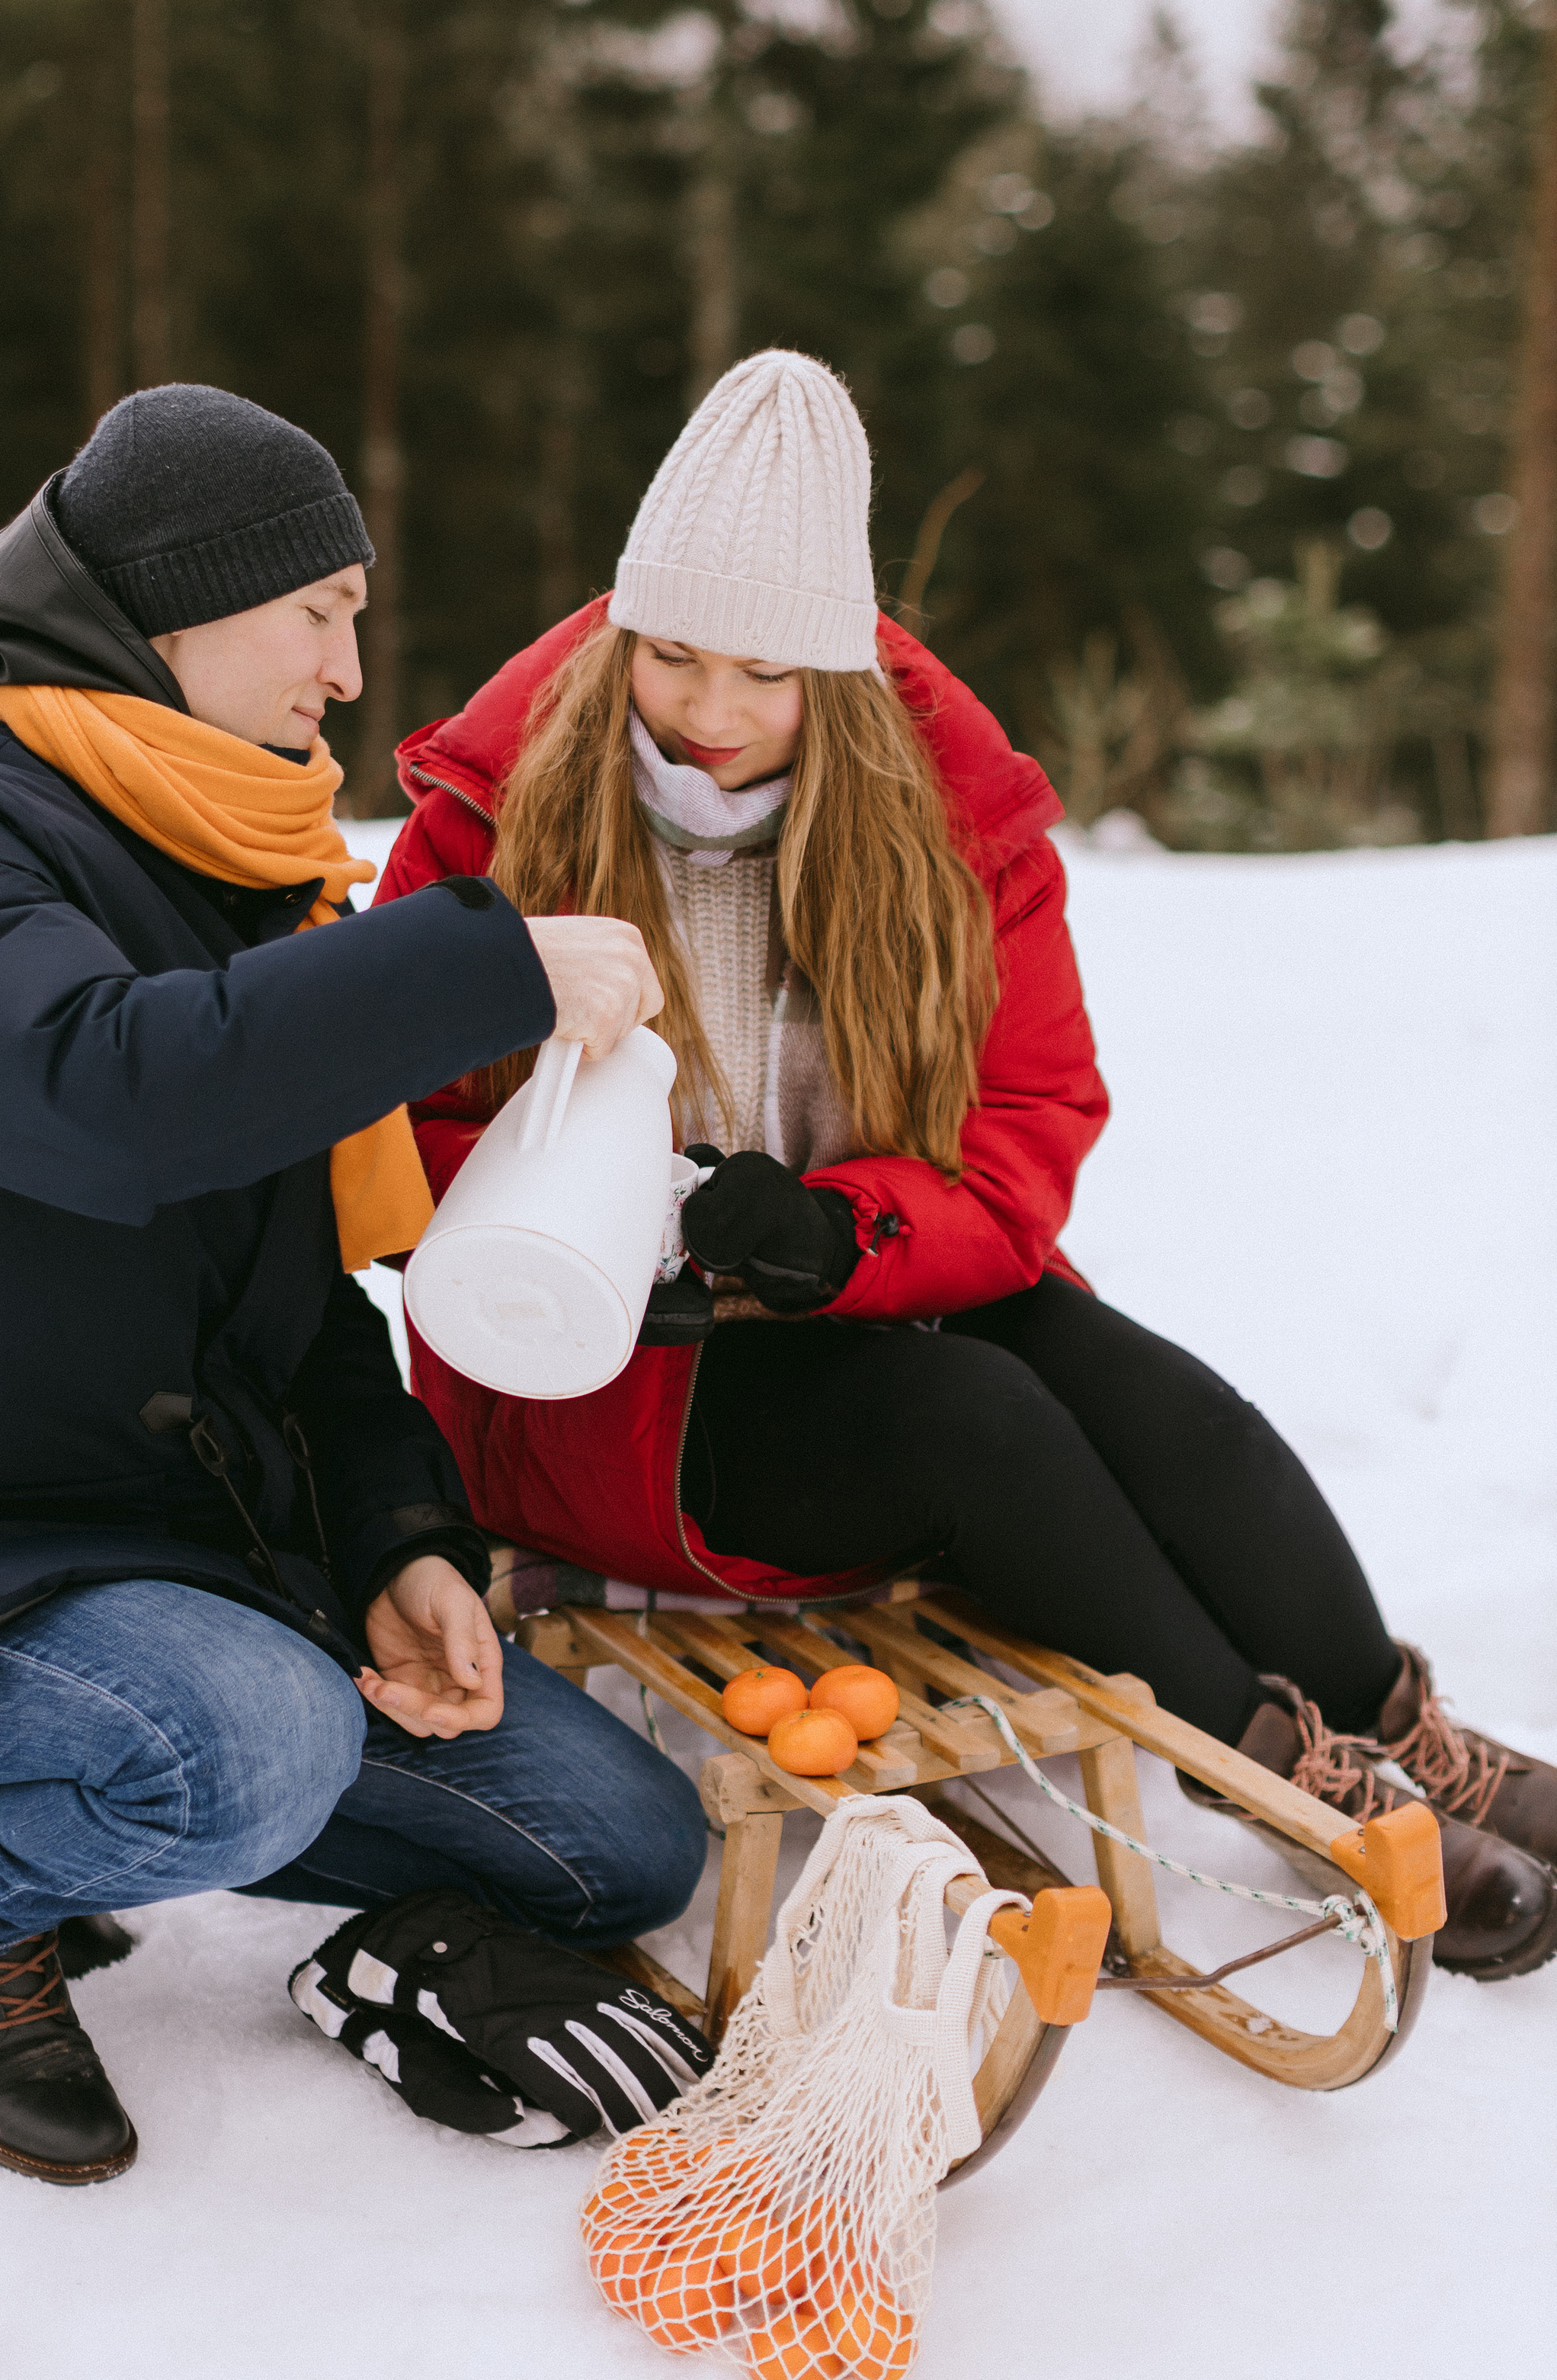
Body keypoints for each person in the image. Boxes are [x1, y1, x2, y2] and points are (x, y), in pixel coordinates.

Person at [376, 348, 1557, 1983]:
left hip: (855, 1285)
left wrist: (837, 1234)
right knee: (977, 1423)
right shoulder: (488, 818)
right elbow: (401, 1134)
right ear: (620, 632)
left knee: (1145, 1396)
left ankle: (1396, 1725)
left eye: (764, 673)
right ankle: (1277, 1772)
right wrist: (634, 1215)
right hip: (604, 1381)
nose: (707, 714)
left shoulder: (942, 822)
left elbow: (1022, 1139)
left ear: (841, 673)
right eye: (670, 656)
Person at [0, 383, 709, 2186]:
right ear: (176, 605)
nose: (344, 669)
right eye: (317, 612)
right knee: (248, 1739)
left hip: (187, 1550)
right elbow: (107, 1094)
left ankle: (175, 1759)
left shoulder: (248, 880)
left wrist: (399, 1540)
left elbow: (297, 1297)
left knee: (615, 1845)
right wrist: (482, 968)